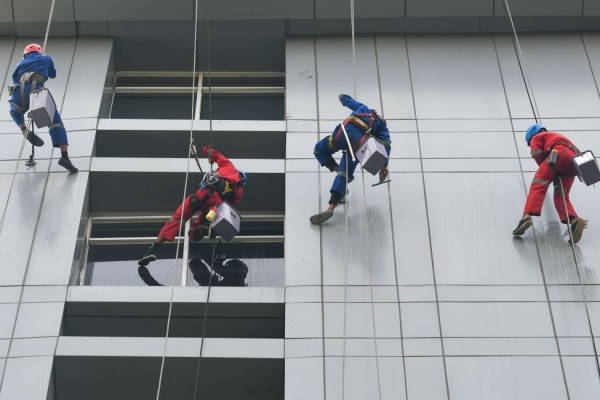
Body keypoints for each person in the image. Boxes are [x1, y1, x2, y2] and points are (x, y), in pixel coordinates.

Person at [137, 145, 246, 268]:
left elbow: (212, 151)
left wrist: (207, 153)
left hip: (199, 197)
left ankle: (153, 249)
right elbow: (227, 208)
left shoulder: (228, 166)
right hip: (212, 208)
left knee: (176, 219)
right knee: (205, 219)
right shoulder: (239, 193)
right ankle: (204, 227)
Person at [310, 94, 391, 225]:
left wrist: (342, 97)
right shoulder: (381, 124)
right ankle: (332, 205)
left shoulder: (362, 108)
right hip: (358, 146)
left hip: (339, 137)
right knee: (345, 172)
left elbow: (345, 99)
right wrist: (384, 166)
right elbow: (386, 144)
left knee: (319, 149)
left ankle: (337, 178)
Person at [8, 43, 77, 172]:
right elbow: (52, 74)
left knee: (14, 110)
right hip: (36, 91)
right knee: (55, 121)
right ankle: (64, 156)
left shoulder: (19, 64)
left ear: (25, 54)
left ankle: (23, 128)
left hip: (19, 92)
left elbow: (14, 79)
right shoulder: (46, 58)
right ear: (39, 52)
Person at [513, 123, 586, 244]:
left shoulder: (537, 137)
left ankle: (526, 217)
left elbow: (537, 153)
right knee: (561, 195)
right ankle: (574, 220)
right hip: (574, 162)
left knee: (538, 185)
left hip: (558, 154)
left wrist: (544, 166)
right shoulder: (557, 136)